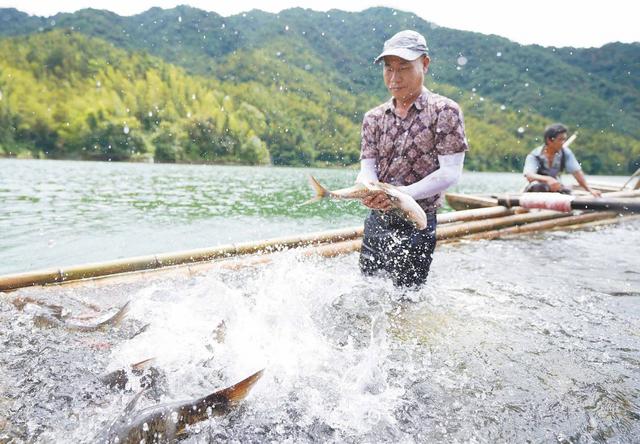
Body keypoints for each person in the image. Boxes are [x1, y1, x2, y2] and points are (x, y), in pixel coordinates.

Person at [356, 30, 468, 288]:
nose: (394, 78)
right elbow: (366, 170)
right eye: (388, 69)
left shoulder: (445, 111)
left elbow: (451, 172)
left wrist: (402, 194)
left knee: (408, 298)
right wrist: (370, 189)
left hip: (418, 219)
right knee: (367, 291)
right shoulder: (374, 117)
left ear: (425, 64)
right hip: (378, 219)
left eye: (404, 68)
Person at [523, 123, 601, 197]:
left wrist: (589, 190)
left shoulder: (565, 153)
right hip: (536, 190)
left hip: (555, 187)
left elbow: (577, 173)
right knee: (540, 187)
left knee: (568, 192)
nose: (563, 143)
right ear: (549, 140)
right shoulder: (535, 155)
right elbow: (529, 175)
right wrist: (548, 179)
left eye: (564, 139)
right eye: (560, 140)